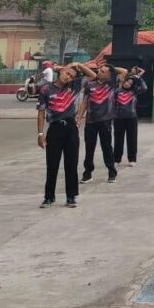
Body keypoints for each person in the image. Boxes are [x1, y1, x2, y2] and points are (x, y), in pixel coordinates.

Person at [37, 63, 95, 209]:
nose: (68, 77)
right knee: (52, 164)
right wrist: (40, 133)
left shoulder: (74, 87)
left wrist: (79, 65)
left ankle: (71, 196)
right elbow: (41, 113)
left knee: (71, 163)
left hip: (70, 128)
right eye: (67, 73)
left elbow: (93, 76)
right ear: (62, 71)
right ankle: (49, 197)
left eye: (71, 76)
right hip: (54, 129)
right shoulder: (45, 89)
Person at [81, 63, 121, 185]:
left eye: (103, 71)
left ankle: (111, 172)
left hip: (105, 121)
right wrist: (79, 117)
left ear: (109, 75)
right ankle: (87, 173)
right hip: (90, 121)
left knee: (106, 147)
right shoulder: (90, 84)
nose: (99, 72)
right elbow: (84, 102)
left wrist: (112, 68)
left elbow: (124, 72)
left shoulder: (112, 84)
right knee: (89, 148)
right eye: (99, 70)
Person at [114, 66, 147, 166]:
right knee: (118, 139)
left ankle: (132, 159)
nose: (128, 84)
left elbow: (145, 88)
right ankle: (117, 159)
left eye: (130, 83)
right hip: (118, 118)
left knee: (132, 139)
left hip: (131, 118)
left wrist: (139, 78)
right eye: (127, 82)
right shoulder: (117, 91)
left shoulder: (134, 92)